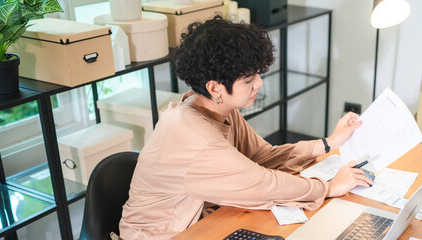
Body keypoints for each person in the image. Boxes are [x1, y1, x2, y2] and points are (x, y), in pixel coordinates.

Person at [118, 15, 373, 240]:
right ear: (215, 88)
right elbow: (262, 183)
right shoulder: (193, 135)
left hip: (203, 220)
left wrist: (328, 143)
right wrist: (328, 188)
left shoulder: (219, 108)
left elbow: (262, 157)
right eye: (249, 79)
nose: (259, 83)